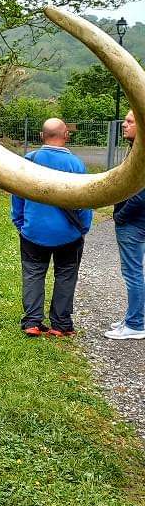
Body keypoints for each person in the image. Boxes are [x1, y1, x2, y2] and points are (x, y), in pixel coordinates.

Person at [11, 118, 93, 337]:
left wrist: (20, 223)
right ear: (66, 135)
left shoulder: (29, 161)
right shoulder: (76, 164)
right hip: (68, 234)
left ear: (41, 136)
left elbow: (17, 196)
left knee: (33, 275)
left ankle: (32, 322)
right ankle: (60, 324)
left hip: (33, 232)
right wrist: (83, 227)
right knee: (66, 276)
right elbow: (85, 200)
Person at [105, 109, 145, 340]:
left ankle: (135, 324)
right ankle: (132, 317)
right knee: (134, 272)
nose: (124, 124)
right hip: (135, 221)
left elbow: (141, 194)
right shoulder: (136, 150)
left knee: (133, 273)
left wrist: (121, 215)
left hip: (134, 223)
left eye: (130, 121)